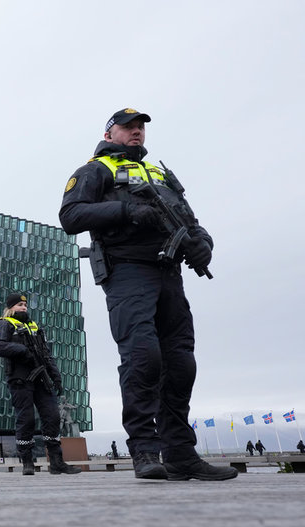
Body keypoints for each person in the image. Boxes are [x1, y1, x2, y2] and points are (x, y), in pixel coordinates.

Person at [59, 108, 237, 482]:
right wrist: (127, 211)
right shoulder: (95, 170)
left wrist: (203, 243)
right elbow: (71, 216)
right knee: (143, 357)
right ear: (110, 134)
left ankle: (181, 455)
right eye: (128, 127)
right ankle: (144, 450)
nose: (136, 132)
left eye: (140, 127)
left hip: (169, 274)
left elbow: (191, 220)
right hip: (127, 271)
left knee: (181, 363)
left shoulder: (159, 174)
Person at [0, 293, 81, 475]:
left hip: (41, 377)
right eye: (19, 305)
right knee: (26, 419)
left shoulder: (33, 326)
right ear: (11, 308)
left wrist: (56, 376)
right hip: (20, 378)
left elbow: (46, 354)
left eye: (25, 304)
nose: (23, 307)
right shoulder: (4, 324)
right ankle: (27, 462)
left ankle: (56, 462)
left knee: (53, 417)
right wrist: (22, 350)